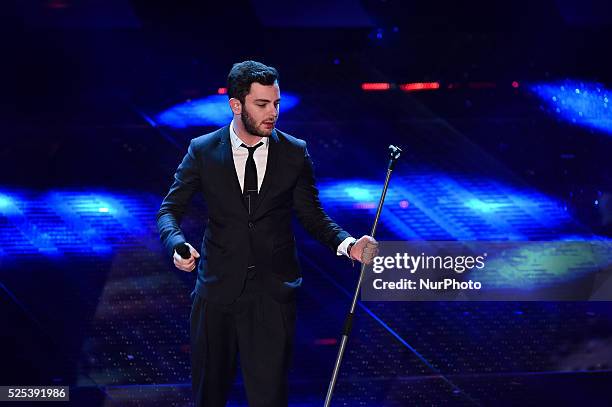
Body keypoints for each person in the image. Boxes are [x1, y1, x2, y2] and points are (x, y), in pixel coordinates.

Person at [156, 60, 379, 407]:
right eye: (262, 104)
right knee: (208, 397)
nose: (273, 112)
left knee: (269, 399)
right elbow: (169, 209)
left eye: (275, 103)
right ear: (236, 105)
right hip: (216, 295)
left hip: (272, 298)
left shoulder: (294, 152)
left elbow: (312, 215)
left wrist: (348, 245)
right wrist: (177, 244)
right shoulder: (202, 150)